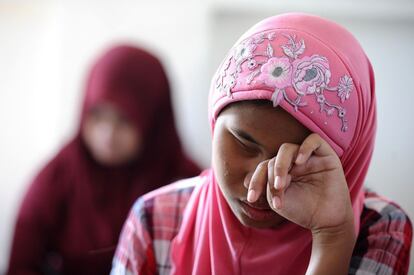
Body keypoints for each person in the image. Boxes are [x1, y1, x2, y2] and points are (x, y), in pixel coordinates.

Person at [110, 13, 412, 275]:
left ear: (346, 161)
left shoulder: (379, 228)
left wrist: (333, 238)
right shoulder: (156, 218)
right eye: (243, 143)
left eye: (297, 161)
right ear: (214, 123)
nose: (260, 183)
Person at [7, 45, 200, 275]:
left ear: (153, 121)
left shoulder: (187, 186)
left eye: (124, 120)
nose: (107, 135)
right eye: (98, 116)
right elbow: (21, 264)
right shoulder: (59, 177)